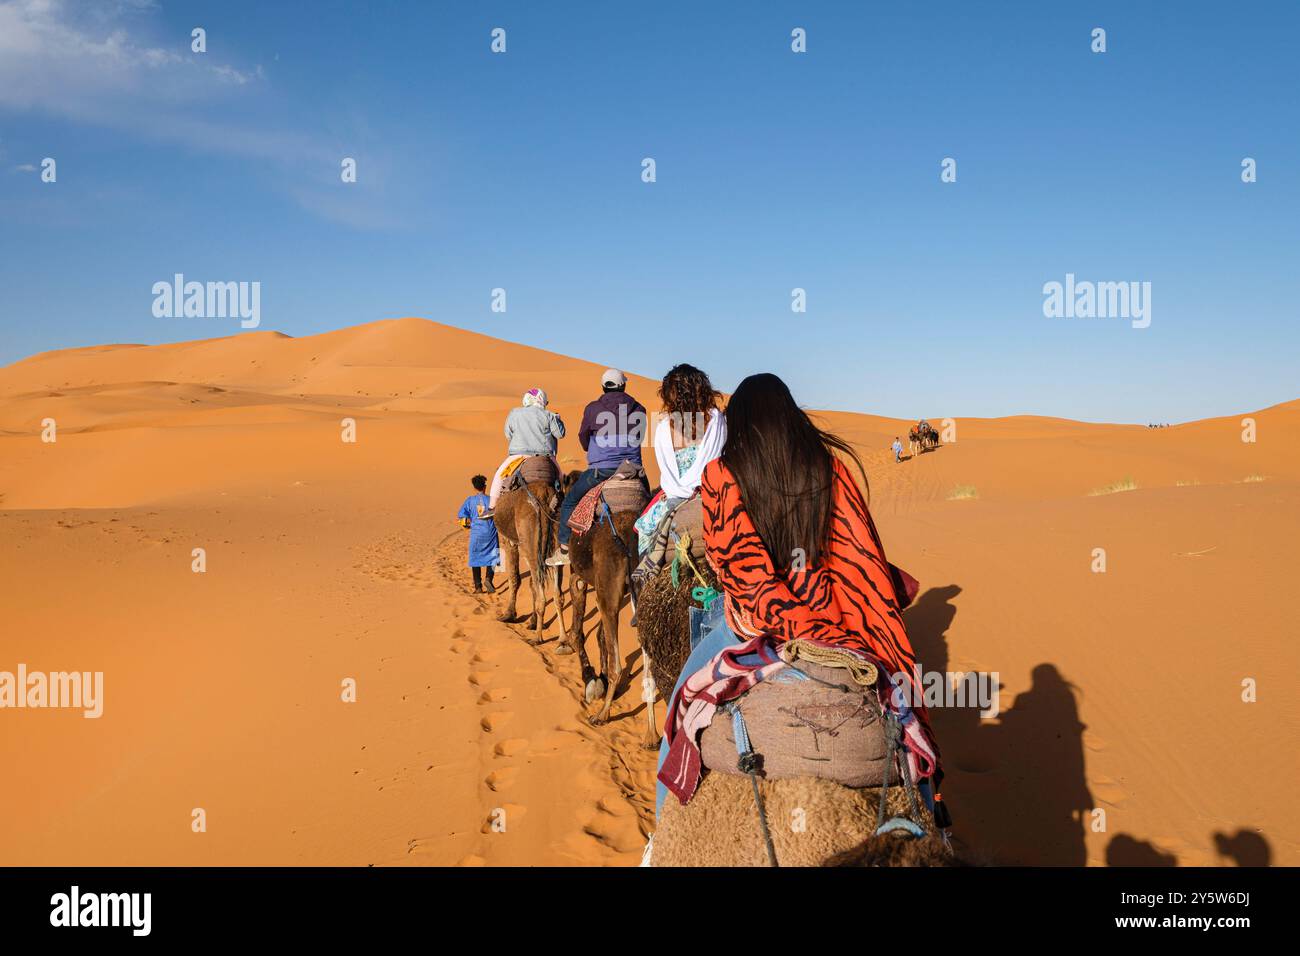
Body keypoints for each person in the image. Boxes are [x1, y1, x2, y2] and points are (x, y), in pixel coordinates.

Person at [655, 372, 941, 815]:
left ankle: (658, 841)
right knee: (904, 715)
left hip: (753, 630)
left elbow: (729, 562)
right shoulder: (829, 469)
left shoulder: (720, 474)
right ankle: (933, 811)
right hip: (841, 625)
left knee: (677, 710)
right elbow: (861, 557)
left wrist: (773, 607)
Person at [547, 369, 647, 566]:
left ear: (603, 386)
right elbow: (640, 437)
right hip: (633, 469)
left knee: (569, 502)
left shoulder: (593, 409)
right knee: (650, 503)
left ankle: (565, 548)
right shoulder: (639, 409)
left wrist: (591, 447)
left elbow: (583, 436)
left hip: (601, 471)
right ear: (624, 385)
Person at [634, 364, 726, 553]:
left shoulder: (663, 427)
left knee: (641, 533)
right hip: (714, 495)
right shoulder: (716, 420)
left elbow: (666, 469)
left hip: (674, 497)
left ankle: (645, 575)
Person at [485, 387, 566, 513]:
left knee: (499, 476)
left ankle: (492, 507)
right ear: (542, 401)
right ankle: (562, 505)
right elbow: (560, 434)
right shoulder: (549, 415)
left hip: (518, 456)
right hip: (546, 456)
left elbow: (508, 434)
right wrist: (558, 420)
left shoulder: (514, 413)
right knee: (560, 477)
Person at [457, 475, 500, 593]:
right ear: (485, 487)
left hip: (476, 535)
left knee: (475, 559)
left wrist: (466, 524)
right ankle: (489, 579)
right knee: (494, 556)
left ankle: (478, 587)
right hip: (491, 533)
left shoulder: (470, 500)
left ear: (474, 488)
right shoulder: (492, 499)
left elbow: (462, 516)